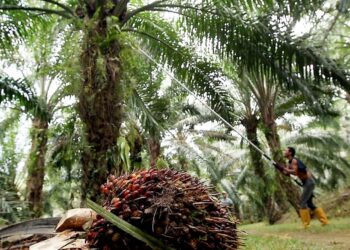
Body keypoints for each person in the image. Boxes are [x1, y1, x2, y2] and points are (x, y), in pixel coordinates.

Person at [282, 146, 329, 228]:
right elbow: (288, 173)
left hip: (309, 182)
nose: (284, 151)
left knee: (302, 203)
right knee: (310, 204)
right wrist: (281, 169)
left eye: (285, 150)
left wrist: (286, 169)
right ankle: (324, 221)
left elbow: (295, 172)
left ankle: (306, 225)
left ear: (290, 153)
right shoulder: (289, 163)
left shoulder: (294, 161)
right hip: (306, 183)